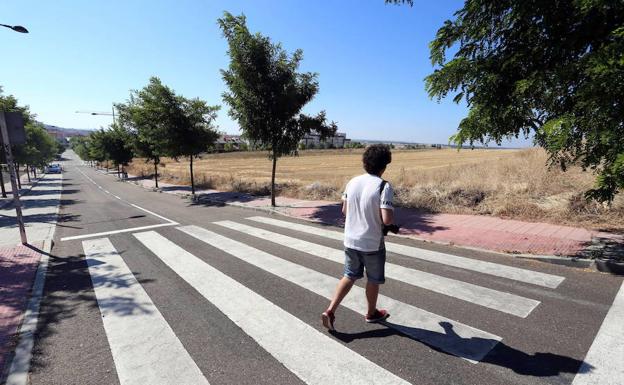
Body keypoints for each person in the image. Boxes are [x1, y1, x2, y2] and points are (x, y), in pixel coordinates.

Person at [322, 144, 394, 331]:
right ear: (384, 166)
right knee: (373, 279)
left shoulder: (352, 182)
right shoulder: (384, 186)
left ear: (365, 162)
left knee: (349, 275)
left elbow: (345, 210)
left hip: (351, 240)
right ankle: (371, 313)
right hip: (372, 243)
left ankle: (330, 310)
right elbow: (386, 219)